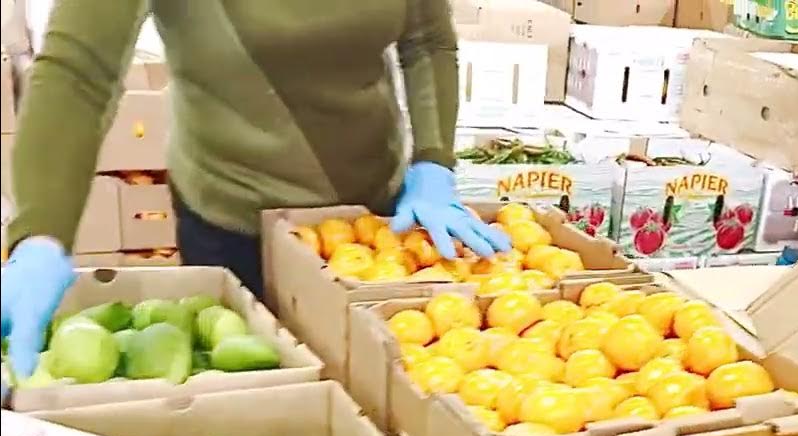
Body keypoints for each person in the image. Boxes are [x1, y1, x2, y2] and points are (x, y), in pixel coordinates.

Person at [0, 0, 509, 382]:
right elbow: (79, 71)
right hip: (233, 221)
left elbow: (428, 41)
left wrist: (434, 161)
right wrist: (42, 232)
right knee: (260, 395)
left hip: (374, 221)